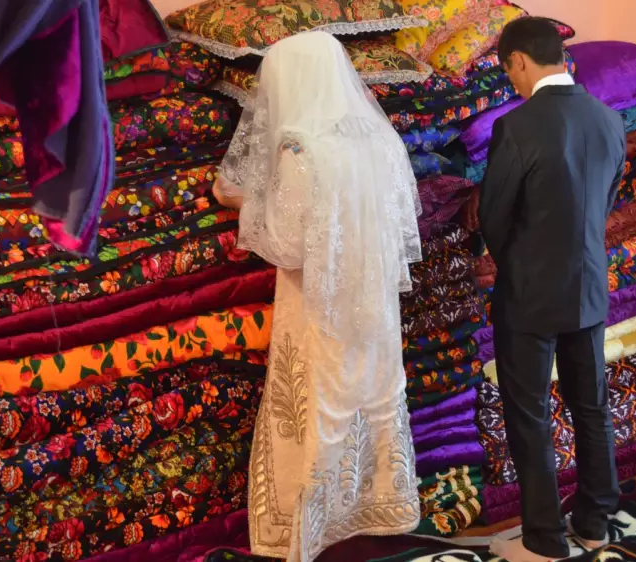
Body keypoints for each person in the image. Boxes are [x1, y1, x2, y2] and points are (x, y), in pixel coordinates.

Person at [211, 31, 423, 562]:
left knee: (318, 405)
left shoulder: (299, 147)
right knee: (371, 395)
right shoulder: (381, 138)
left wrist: (245, 205)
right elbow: (405, 222)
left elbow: (286, 245)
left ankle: (312, 526)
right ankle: (380, 508)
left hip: (318, 306)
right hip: (374, 306)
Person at [478, 16, 627, 562]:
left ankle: (543, 539)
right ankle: (594, 522)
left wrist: (516, 264)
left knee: (530, 414)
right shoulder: (609, 119)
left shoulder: (516, 127)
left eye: (509, 72)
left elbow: (494, 216)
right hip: (588, 285)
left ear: (519, 60)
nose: (512, 83)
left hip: (529, 293)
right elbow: (604, 203)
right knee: (591, 407)